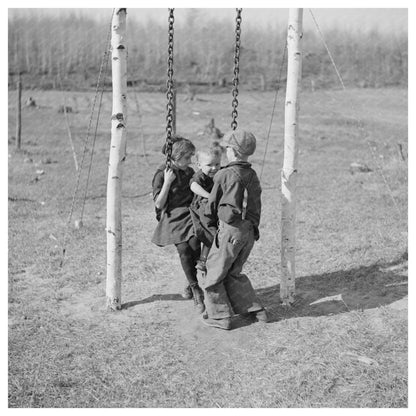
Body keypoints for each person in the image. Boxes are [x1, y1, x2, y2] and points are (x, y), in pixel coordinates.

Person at [200, 129, 268, 330]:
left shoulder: (224, 174)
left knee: (214, 273)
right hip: (249, 230)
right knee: (234, 272)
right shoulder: (252, 174)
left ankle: (220, 317)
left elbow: (212, 205)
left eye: (227, 148)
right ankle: (256, 310)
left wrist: (207, 222)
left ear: (233, 151)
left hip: (230, 230)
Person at [151, 136, 205, 313]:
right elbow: (159, 204)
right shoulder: (161, 174)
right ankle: (196, 288)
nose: (190, 161)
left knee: (195, 244)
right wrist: (167, 182)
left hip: (189, 214)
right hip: (172, 216)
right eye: (187, 157)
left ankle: (191, 284)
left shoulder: (189, 172)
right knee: (183, 249)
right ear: (176, 156)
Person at [189, 145, 222, 273]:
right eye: (209, 165)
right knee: (211, 233)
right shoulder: (200, 176)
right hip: (201, 208)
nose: (214, 168)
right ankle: (203, 260)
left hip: (214, 208)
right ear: (199, 165)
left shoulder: (220, 172)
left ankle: (209, 259)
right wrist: (209, 196)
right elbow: (193, 186)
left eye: (217, 164)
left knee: (217, 232)